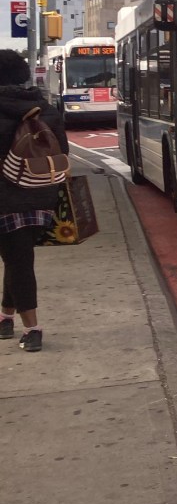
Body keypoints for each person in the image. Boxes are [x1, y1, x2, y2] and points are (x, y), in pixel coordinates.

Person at [0, 49, 69, 352]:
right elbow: (62, 150)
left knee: (18, 260)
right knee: (16, 256)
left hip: (5, 197)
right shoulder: (44, 107)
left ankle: (33, 329)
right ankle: (5, 317)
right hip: (41, 192)